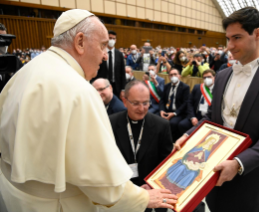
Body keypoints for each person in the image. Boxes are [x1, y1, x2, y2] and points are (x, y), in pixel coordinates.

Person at [0, 9, 177, 212]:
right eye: (103, 45)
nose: (104, 55)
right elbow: (101, 182)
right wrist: (142, 197)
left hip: (12, 197)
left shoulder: (25, 71)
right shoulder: (79, 90)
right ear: (80, 42)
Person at [174, 7, 259, 212]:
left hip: (249, 177)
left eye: (236, 38)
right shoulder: (222, 76)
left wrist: (239, 163)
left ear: (257, 34)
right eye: (228, 38)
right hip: (212, 170)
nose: (229, 46)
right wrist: (189, 135)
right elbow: (213, 120)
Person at [109, 80, 173, 212]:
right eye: (135, 103)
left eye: (146, 103)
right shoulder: (111, 123)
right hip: (122, 192)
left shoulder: (162, 125)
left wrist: (153, 184)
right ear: (125, 100)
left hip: (150, 190)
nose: (141, 108)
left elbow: (165, 162)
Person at [178, 69, 215, 134]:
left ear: (214, 77)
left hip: (209, 118)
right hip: (196, 115)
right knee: (182, 125)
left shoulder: (218, 89)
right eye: (204, 77)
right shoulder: (197, 87)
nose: (207, 79)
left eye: (209, 77)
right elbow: (190, 102)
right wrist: (193, 117)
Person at [91, 30, 126, 98]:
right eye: (110, 38)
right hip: (102, 86)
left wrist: (123, 89)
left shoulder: (119, 54)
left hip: (116, 86)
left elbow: (122, 73)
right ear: (106, 39)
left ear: (116, 40)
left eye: (114, 38)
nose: (112, 40)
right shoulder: (100, 52)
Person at [159, 69, 190, 141]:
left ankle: (171, 141)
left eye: (175, 74)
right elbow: (162, 100)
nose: (173, 76)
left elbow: (185, 103)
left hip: (178, 112)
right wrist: (161, 110)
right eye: (171, 75)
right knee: (156, 119)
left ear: (179, 76)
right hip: (166, 110)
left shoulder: (185, 87)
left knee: (172, 123)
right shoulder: (167, 86)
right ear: (169, 77)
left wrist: (174, 113)